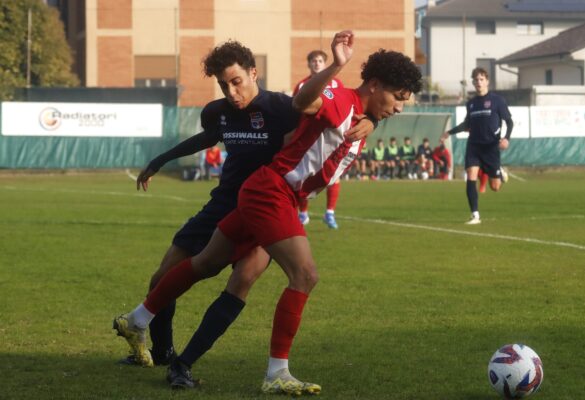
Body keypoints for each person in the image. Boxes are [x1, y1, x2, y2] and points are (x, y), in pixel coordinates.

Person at [113, 30, 422, 395]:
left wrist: (375, 119)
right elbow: (307, 101)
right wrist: (337, 65)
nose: (401, 107)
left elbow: (337, 111)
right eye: (398, 98)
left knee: (213, 267)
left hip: (268, 193)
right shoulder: (340, 98)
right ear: (373, 84)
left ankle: (141, 320)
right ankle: (276, 371)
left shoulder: (357, 110)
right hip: (271, 192)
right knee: (304, 275)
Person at [440, 66, 513, 224]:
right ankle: (475, 215)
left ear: (487, 81)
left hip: (491, 147)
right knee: (470, 177)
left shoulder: (497, 101)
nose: (478, 82)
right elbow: (467, 124)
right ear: (473, 83)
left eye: (481, 79)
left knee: (495, 187)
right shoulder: (471, 104)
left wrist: (506, 138)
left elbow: (509, 121)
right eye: (476, 80)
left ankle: (499, 173)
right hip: (474, 146)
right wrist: (449, 132)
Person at [294, 50, 344, 229]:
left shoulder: (337, 84)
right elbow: (296, 111)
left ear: (325, 64)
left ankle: (329, 213)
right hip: (310, 139)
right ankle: (303, 214)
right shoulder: (302, 85)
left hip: (331, 138)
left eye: (320, 61)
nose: (317, 63)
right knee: (303, 177)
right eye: (313, 61)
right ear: (309, 65)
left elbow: (343, 108)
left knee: (333, 176)